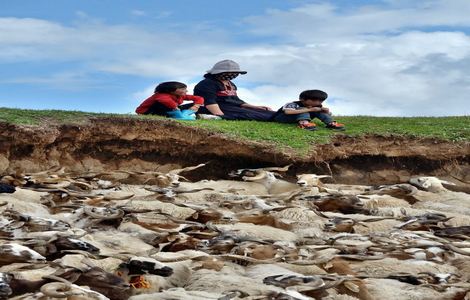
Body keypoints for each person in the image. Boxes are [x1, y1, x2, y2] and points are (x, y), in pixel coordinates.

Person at [194, 60, 275, 121]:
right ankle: (213, 118)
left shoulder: (231, 84)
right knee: (259, 116)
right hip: (215, 108)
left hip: (232, 107)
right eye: (229, 72)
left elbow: (236, 101)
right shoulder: (207, 84)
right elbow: (209, 102)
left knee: (270, 114)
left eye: (235, 73)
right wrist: (220, 116)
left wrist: (255, 107)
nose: (232, 74)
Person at [272, 89, 345, 131]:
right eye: (314, 100)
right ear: (302, 99)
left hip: (296, 118)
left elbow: (325, 114)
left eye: (320, 101)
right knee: (304, 109)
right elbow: (287, 112)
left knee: (318, 110)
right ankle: (304, 124)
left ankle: (331, 124)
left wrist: (327, 112)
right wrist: (310, 110)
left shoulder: (317, 106)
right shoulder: (293, 104)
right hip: (282, 118)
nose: (317, 102)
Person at [135, 81, 204, 120]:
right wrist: (176, 108)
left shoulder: (181, 96)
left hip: (171, 110)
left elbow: (199, 98)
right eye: (183, 89)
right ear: (170, 90)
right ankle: (179, 115)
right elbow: (166, 101)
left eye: (185, 89)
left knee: (193, 104)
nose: (186, 91)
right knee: (161, 102)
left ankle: (184, 114)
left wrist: (196, 106)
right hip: (147, 111)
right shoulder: (160, 95)